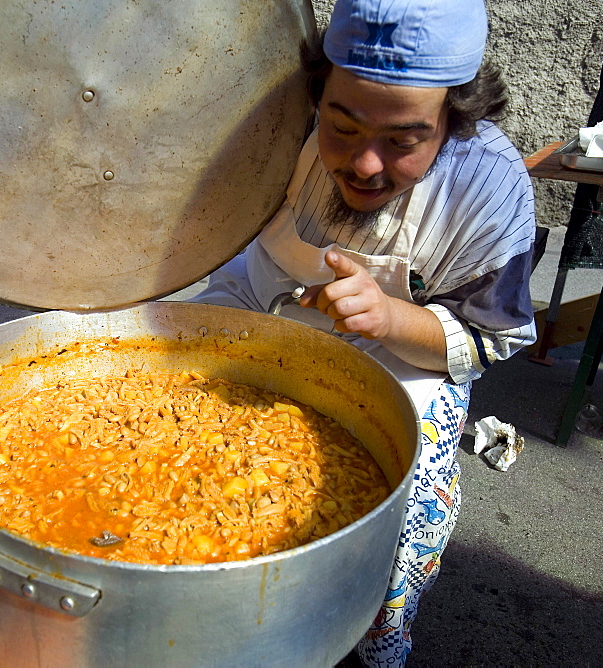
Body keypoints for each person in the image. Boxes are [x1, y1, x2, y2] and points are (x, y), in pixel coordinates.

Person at [190, 0, 537, 664]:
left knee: (398, 527)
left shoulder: (491, 188)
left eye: (404, 142)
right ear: (317, 95)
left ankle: (376, 643)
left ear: (453, 121)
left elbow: (491, 340)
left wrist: (389, 317)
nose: (364, 165)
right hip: (260, 294)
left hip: (402, 357)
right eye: (341, 128)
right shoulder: (274, 123)